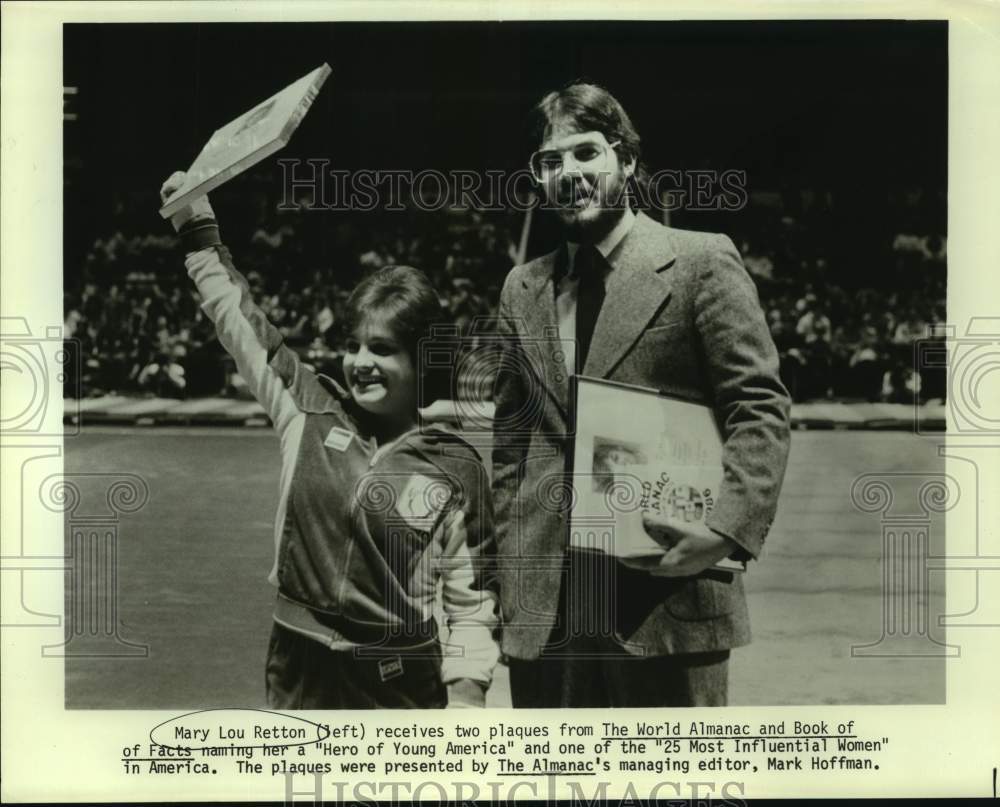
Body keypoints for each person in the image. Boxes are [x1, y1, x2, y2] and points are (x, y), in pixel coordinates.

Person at [491, 83, 791, 708]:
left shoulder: (700, 262)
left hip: (666, 596)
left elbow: (758, 407)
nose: (567, 174)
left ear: (625, 160)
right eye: (550, 162)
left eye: (585, 153)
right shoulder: (522, 287)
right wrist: (506, 572)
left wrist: (725, 530)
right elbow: (510, 449)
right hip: (548, 611)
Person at [160, 172, 499, 709]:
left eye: (382, 349)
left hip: (401, 680)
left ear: (422, 360)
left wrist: (465, 694)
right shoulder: (308, 408)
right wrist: (196, 225)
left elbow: (473, 600)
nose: (360, 362)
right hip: (298, 665)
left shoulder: (456, 468)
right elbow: (238, 319)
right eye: (353, 345)